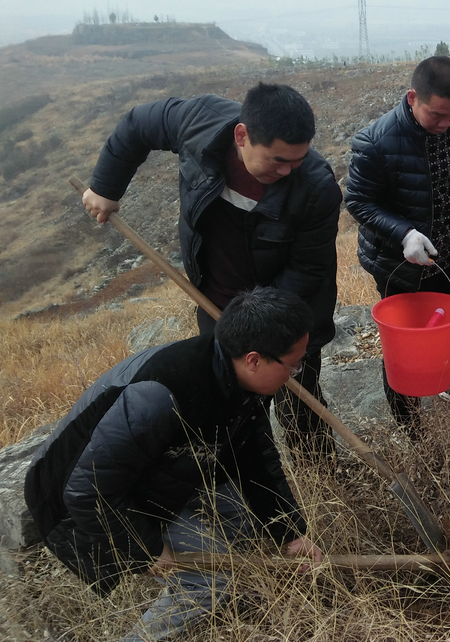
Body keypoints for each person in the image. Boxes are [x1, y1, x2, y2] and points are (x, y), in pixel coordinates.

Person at [24, 287, 324, 641]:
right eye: (292, 364)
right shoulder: (159, 396)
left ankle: (237, 594)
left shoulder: (242, 382)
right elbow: (87, 491)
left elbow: (255, 457)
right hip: (93, 495)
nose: (295, 373)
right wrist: (145, 548)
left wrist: (290, 532)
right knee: (209, 581)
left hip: (161, 468)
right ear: (254, 359)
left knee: (243, 521)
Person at [80, 82, 342, 468]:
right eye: (276, 160)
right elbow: (137, 125)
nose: (287, 171)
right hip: (215, 302)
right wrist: (105, 186)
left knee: (299, 398)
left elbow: (306, 272)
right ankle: (241, 489)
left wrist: (258, 329)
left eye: (296, 161)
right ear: (242, 135)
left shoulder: (316, 187)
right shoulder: (199, 122)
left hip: (289, 316)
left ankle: (323, 474)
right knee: (230, 409)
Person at [346, 56, 450, 434]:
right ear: (412, 98)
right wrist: (403, 233)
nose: (446, 125)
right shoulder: (375, 142)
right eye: (437, 115)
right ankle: (410, 426)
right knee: (405, 349)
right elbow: (357, 201)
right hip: (399, 263)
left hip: (447, 253)